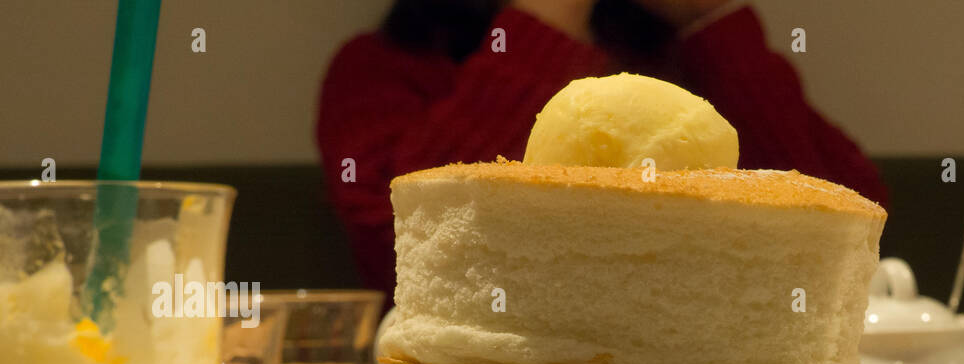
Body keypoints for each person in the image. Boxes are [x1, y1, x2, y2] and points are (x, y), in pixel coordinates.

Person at [317, 0, 890, 296]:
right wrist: (545, 21)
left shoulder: (687, 57)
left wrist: (709, 18)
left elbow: (850, 232)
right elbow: (405, 243)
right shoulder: (380, 68)